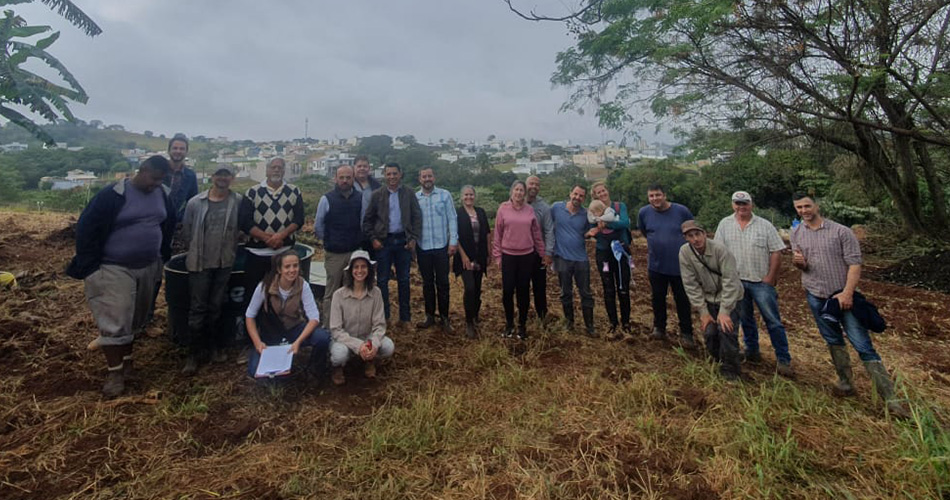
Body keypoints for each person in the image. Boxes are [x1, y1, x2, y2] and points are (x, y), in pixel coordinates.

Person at [66, 155, 176, 397]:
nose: (156, 184)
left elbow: (168, 223)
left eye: (161, 180)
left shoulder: (162, 194)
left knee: (135, 318)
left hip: (148, 266)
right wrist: (90, 267)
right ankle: (114, 372)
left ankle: (127, 363)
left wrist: (162, 256)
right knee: (115, 321)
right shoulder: (113, 195)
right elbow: (86, 227)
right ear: (143, 170)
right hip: (113, 267)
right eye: (154, 179)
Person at [791, 193, 909, 417]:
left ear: (817, 205)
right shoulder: (796, 233)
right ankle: (845, 383)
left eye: (807, 206)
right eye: (799, 207)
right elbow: (803, 266)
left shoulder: (841, 232)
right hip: (816, 295)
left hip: (842, 297)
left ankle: (891, 400)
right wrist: (800, 264)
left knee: (862, 344)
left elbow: (855, 264)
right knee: (832, 339)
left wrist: (847, 293)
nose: (804, 211)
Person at [179, 167, 252, 374]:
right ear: (212, 177)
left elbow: (241, 228)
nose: (222, 178)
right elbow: (187, 231)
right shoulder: (196, 203)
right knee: (197, 308)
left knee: (216, 307)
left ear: (232, 178)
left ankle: (214, 348)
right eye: (219, 175)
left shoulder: (237, 201)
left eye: (226, 175)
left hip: (224, 263)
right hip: (199, 263)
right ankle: (193, 354)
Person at [714, 191, 794, 377]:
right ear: (733, 205)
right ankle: (752, 351)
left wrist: (771, 277)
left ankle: (783, 359)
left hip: (760, 281)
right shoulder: (725, 224)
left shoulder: (765, 225)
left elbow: (776, 252)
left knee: (773, 321)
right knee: (745, 319)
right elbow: (718, 250)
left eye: (745, 203)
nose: (741, 207)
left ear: (752, 204)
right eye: (737, 203)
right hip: (736, 282)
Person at [244, 250, 330, 378]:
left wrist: (298, 342)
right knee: (256, 372)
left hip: (295, 328)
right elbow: (250, 316)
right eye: (287, 266)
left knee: (322, 337)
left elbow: (314, 318)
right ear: (279, 269)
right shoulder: (265, 286)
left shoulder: (303, 285)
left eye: (295, 265)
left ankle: (314, 371)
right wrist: (258, 343)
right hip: (271, 333)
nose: (292, 270)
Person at [679, 221, 744, 380]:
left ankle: (731, 370)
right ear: (686, 238)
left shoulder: (720, 250)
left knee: (726, 330)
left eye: (698, 234)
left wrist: (724, 311)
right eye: (690, 236)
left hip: (730, 297)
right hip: (708, 298)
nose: (695, 239)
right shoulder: (685, 253)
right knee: (710, 332)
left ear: (704, 233)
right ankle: (717, 360)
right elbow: (690, 283)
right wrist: (703, 312)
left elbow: (731, 281)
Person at [362, 162, 422, 324]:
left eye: (395, 173)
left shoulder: (409, 193)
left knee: (404, 280)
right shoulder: (377, 195)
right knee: (382, 280)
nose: (392, 177)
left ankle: (405, 318)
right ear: (384, 175)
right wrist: (374, 239)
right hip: (384, 243)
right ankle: (384, 317)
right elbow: (367, 221)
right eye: (388, 174)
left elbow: (417, 217)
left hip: (403, 242)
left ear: (400, 174)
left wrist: (413, 238)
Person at [638, 183, 696, 347]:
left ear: (664, 195)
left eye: (658, 195)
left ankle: (686, 333)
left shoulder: (681, 211)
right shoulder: (644, 212)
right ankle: (659, 328)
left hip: (680, 266)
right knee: (657, 298)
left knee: (682, 300)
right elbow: (644, 231)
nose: (655, 199)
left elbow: (692, 231)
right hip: (656, 265)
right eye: (651, 196)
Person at [328, 250, 395, 385]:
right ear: (350, 270)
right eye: (356, 267)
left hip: (367, 337)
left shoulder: (376, 293)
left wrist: (373, 345)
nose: (360, 271)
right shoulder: (338, 295)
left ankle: (370, 360)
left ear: (369, 270)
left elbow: (379, 325)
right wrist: (359, 346)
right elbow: (336, 330)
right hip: (345, 340)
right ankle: (338, 368)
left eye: (363, 267)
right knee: (339, 355)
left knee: (388, 347)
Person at [243, 157, 305, 302]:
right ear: (266, 170)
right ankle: (252, 324)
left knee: (283, 296)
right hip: (257, 253)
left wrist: (281, 236)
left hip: (284, 253)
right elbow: (245, 222)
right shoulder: (253, 192)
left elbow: (299, 219)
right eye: (273, 167)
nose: (276, 170)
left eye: (280, 167)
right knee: (253, 295)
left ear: (284, 171)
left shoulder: (294, 191)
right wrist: (267, 238)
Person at [493, 180, 545, 340]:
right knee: (508, 291)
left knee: (523, 291)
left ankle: (522, 325)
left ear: (525, 193)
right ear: (511, 192)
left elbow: (536, 234)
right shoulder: (503, 209)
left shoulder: (529, 210)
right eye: (516, 190)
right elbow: (497, 233)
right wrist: (497, 255)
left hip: (526, 256)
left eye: (521, 190)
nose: (519, 193)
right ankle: (509, 324)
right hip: (508, 256)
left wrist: (542, 253)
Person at [315, 165, 366, 319]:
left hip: (354, 253)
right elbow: (318, 226)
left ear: (353, 179)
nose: (345, 181)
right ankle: (329, 327)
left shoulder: (360, 198)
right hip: (334, 254)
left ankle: (349, 324)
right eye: (341, 177)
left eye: (348, 177)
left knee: (352, 291)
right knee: (332, 292)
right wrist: (330, 241)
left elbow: (363, 223)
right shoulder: (326, 199)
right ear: (336, 179)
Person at [415, 167, 458, 333]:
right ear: (420, 179)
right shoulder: (415, 198)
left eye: (430, 176)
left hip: (441, 247)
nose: (427, 179)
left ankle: (445, 318)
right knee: (427, 284)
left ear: (434, 178)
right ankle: (430, 316)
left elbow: (452, 219)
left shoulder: (444, 195)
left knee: (443, 283)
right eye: (424, 176)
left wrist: (453, 241)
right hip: (423, 247)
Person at [590, 182, 634, 338]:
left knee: (623, 286)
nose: (602, 194)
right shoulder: (593, 210)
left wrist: (605, 223)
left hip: (621, 252)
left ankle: (626, 323)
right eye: (598, 192)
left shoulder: (619, 206)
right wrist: (596, 227)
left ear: (607, 191)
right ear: (595, 195)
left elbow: (625, 222)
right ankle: (613, 323)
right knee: (608, 288)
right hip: (604, 255)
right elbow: (590, 227)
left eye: (603, 190)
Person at [551, 185, 596, 336]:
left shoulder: (586, 214)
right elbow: (546, 226)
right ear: (570, 193)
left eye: (581, 196)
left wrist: (591, 233)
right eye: (575, 194)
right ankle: (569, 324)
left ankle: (590, 326)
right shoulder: (556, 208)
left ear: (584, 199)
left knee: (586, 292)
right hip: (562, 257)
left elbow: (588, 233)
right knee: (565, 292)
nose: (577, 197)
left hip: (581, 259)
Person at [454, 185, 490, 338]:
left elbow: (487, 233)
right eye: (466, 195)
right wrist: (463, 255)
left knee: (477, 288)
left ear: (475, 196)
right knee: (469, 288)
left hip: (480, 256)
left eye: (471, 194)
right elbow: (454, 236)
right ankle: (469, 321)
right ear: (462, 197)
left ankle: (475, 316)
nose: (469, 197)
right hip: (465, 258)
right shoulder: (457, 213)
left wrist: (488, 253)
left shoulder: (480, 212)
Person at [526, 175, 555, 324]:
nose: (534, 187)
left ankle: (542, 318)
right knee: (521, 287)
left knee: (540, 288)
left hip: (538, 254)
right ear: (525, 184)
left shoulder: (544, 207)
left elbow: (549, 230)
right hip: (520, 254)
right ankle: (522, 318)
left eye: (537, 185)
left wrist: (548, 253)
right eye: (531, 183)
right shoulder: (514, 203)